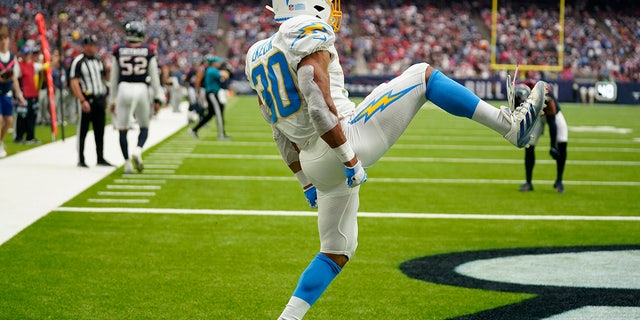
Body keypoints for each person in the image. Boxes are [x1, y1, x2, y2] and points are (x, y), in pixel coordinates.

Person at [244, 1, 549, 319]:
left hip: (313, 161)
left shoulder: (258, 53)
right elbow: (320, 107)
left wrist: (305, 181)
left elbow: (277, 130)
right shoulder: (306, 30)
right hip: (344, 140)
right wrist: (349, 159)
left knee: (335, 252)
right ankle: (509, 127)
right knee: (423, 75)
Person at [108, 21, 164, 174]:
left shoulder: (118, 50)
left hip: (123, 88)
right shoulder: (149, 50)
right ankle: (138, 150)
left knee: (122, 129)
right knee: (144, 126)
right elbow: (154, 76)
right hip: (141, 89)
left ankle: (127, 163)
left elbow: (114, 77)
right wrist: (158, 98)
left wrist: (112, 99)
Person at [515, 83, 568, 193]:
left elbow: (552, 123)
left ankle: (559, 181)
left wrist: (553, 146)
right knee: (529, 145)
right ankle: (528, 183)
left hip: (553, 115)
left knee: (562, 142)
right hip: (537, 117)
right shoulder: (520, 92)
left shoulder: (546, 97)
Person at [70, 35, 113, 168]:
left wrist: (108, 71)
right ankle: (81, 158)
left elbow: (105, 79)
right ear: (84, 46)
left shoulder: (99, 61)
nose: (92, 48)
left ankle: (100, 157)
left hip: (99, 98)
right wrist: (82, 100)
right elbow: (74, 82)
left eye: (94, 45)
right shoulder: (79, 61)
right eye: (89, 45)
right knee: (83, 130)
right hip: (87, 99)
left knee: (100, 130)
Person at [188, 55, 230, 140]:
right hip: (212, 94)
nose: (219, 63)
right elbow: (225, 76)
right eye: (217, 62)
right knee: (218, 113)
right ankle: (221, 134)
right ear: (213, 63)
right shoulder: (212, 70)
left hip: (212, 94)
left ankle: (194, 130)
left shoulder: (210, 70)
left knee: (210, 115)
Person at [0, 24, 26, 158]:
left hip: (7, 93)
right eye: (1, 39)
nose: (3, 41)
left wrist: (19, 94)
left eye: (5, 38)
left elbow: (15, 78)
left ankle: (0, 141)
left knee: (9, 121)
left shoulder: (12, 57)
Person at [15, 46, 44, 144]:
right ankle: (19, 137)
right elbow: (15, 79)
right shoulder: (18, 65)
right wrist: (18, 94)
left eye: (28, 54)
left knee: (32, 116)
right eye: (25, 54)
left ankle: (30, 136)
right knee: (22, 116)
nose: (27, 56)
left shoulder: (33, 65)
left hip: (33, 94)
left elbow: (44, 66)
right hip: (24, 94)